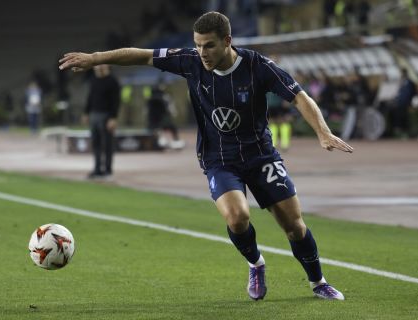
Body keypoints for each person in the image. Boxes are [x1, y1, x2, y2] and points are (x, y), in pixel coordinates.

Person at [59, 11, 353, 301]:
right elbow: (141, 54)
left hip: (261, 156)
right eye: (198, 45)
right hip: (219, 159)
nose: (202, 52)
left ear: (227, 41)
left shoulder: (258, 66)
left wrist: (323, 132)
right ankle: (256, 264)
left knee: (294, 226)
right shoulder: (189, 61)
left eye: (209, 45)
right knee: (237, 218)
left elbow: (299, 96)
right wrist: (96, 58)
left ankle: (318, 282)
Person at [84, 64, 120, 179]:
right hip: (94, 114)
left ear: (107, 66)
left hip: (106, 116)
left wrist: (113, 117)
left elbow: (116, 101)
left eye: (101, 64)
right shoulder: (93, 80)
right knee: (96, 144)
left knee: (107, 144)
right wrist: (86, 112)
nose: (98, 66)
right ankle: (97, 169)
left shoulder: (112, 81)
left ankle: (108, 170)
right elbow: (90, 97)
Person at [147, 83, 185, 149]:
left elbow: (147, 111)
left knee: (158, 129)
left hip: (153, 120)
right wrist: (173, 113)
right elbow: (169, 108)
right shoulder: (165, 98)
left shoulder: (150, 99)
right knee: (171, 128)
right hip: (162, 118)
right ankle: (174, 141)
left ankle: (161, 141)